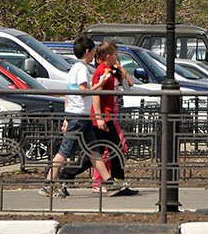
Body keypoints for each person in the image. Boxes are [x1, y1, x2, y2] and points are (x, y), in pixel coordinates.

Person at [41, 36, 126, 198]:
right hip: (79, 116)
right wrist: (100, 83)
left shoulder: (74, 68)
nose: (94, 54)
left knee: (94, 151)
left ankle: (109, 182)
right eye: (93, 50)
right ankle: (48, 183)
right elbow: (82, 91)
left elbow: (69, 94)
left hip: (81, 115)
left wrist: (67, 115)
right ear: (87, 51)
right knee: (65, 151)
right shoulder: (81, 69)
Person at [88, 42, 138, 195]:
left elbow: (130, 83)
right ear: (108, 56)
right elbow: (96, 95)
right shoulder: (101, 71)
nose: (117, 58)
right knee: (112, 149)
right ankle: (110, 182)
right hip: (104, 116)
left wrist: (120, 68)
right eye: (116, 55)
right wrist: (99, 117)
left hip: (110, 115)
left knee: (110, 149)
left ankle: (117, 182)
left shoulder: (112, 70)